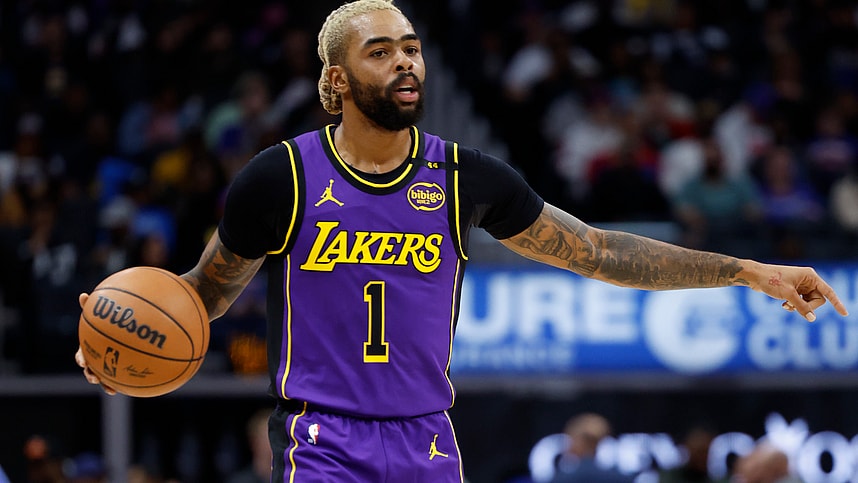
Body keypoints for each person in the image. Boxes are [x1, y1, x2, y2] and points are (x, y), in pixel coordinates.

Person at [74, 1, 849, 481]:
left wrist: (747, 269)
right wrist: (117, 338)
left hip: (428, 438)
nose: (406, 61)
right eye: (381, 51)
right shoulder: (279, 179)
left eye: (410, 46)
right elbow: (202, 293)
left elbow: (600, 252)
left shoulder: (463, 177)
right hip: (322, 439)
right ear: (336, 81)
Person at [549, 413, 633, 483]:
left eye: (571, 439)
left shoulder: (562, 479)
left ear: (579, 442)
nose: (568, 445)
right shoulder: (619, 478)